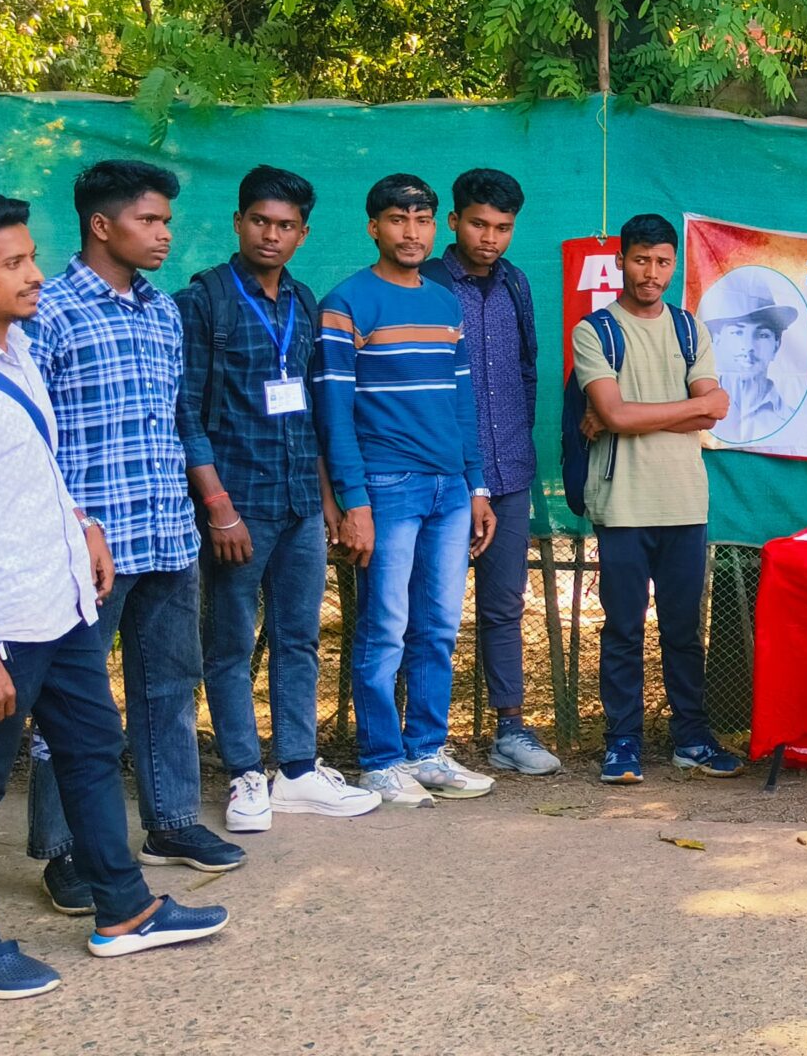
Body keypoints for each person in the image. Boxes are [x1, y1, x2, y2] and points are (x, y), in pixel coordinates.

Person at [0, 190, 228, 999]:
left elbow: (29, 471)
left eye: (32, 256)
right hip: (1, 624)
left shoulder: (14, 352)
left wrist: (83, 523)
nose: (35, 274)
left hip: (63, 603)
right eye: (13, 262)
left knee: (90, 750)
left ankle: (125, 909)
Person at [25, 160, 246, 918]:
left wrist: (204, 503)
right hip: (89, 544)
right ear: (101, 224)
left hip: (166, 531)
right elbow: (31, 436)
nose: (164, 234)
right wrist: (68, 526)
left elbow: (178, 418)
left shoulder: (161, 311)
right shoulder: (48, 311)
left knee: (170, 685)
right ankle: (65, 852)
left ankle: (171, 821)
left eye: (166, 222)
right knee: (71, 702)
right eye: (149, 220)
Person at [181, 167, 378, 833]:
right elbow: (186, 413)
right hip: (238, 507)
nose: (271, 234)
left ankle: (296, 771)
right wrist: (218, 507)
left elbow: (310, 413)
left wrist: (327, 500)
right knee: (230, 644)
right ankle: (244, 773)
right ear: (238, 222)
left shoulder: (302, 299)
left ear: (303, 234)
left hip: (298, 504)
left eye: (285, 225)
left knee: (299, 638)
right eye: (260, 221)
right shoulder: (203, 300)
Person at [318, 173, 499, 806]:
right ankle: (380, 760)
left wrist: (477, 485)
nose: (411, 232)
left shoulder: (445, 304)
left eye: (422, 220)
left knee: (439, 627)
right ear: (374, 227)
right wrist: (354, 502)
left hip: (450, 489)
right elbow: (333, 414)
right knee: (385, 627)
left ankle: (427, 753)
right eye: (398, 220)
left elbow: (463, 403)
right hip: (387, 487)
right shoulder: (346, 303)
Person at [571, 213, 741, 784]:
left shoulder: (690, 330)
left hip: (684, 502)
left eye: (663, 261)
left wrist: (627, 417)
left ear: (675, 265)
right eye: (641, 259)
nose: (651, 272)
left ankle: (691, 738)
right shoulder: (596, 331)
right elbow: (622, 412)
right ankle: (622, 742)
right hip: (622, 504)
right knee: (622, 630)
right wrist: (681, 411)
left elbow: (714, 410)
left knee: (682, 631)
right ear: (621, 260)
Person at [421, 168, 558, 777]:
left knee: (503, 606)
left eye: (503, 227)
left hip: (509, 473)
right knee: (431, 610)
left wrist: (515, 445)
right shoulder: (425, 282)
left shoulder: (515, 284)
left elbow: (527, 369)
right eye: (478, 224)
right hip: (443, 477)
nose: (490, 238)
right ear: (454, 222)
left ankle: (510, 730)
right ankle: (424, 738)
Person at [705, 288, 799, 442]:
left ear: (776, 345)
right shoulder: (699, 406)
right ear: (717, 340)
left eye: (762, 335)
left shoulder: (792, 422)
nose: (748, 346)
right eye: (737, 333)